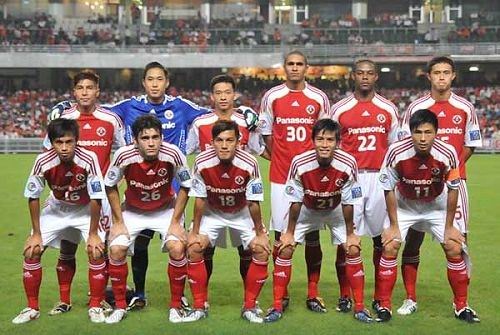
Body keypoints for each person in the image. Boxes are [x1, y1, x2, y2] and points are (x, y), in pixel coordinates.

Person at [106, 62, 258, 309]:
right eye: (150, 79)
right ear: (144, 83)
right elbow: (95, 107)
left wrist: (244, 111)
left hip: (176, 189)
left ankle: (183, 296)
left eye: (159, 79)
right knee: (141, 242)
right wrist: (66, 107)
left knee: (182, 245)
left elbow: (215, 112)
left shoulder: (181, 106)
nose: (155, 84)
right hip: (140, 187)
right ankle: (140, 293)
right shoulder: (128, 105)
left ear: (167, 82)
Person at [376, 109, 479, 323]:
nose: (423, 138)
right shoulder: (396, 151)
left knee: (453, 246)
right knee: (390, 245)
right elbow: (387, 188)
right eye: (418, 132)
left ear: (436, 132)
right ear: (410, 132)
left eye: (428, 132)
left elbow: (453, 189)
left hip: (436, 206)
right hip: (405, 205)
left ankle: (461, 305)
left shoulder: (448, 152)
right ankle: (386, 305)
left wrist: (450, 226)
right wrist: (394, 225)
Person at [398, 56, 482, 316]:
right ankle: (410, 298)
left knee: (458, 241)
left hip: (452, 186)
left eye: (446, 72)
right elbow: (403, 146)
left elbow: (469, 145)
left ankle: (461, 304)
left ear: (453, 76)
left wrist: (448, 171)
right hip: (416, 185)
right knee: (412, 240)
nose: (442, 77)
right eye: (437, 72)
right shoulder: (416, 107)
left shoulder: (466, 108)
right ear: (429, 76)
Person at [264, 119, 371, 323]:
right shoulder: (300, 162)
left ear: (337, 142)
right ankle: (277, 305)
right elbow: (295, 201)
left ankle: (359, 307)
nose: (324, 144)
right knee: (285, 248)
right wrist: (289, 232)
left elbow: (349, 202)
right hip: (307, 209)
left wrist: (350, 235)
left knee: (353, 249)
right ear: (312, 141)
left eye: (330, 139)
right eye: (320, 139)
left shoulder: (348, 163)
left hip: (335, 210)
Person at [43, 70, 125, 316]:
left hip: (100, 198)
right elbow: (48, 156)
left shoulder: (111, 120)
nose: (85, 92)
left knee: (106, 248)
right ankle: (64, 300)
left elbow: (123, 153)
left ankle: (101, 296)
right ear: (74, 92)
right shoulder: (63, 120)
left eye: (90, 88)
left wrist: (113, 182)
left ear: (97, 91)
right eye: (81, 88)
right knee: (68, 248)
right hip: (68, 198)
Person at [12, 118, 108, 324]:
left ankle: (96, 306)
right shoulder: (42, 161)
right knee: (32, 251)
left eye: (69, 142)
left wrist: (92, 234)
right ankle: (32, 308)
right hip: (57, 208)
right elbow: (33, 196)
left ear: (77, 141)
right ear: (52, 142)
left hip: (84, 209)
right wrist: (36, 234)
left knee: (97, 251)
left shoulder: (89, 158)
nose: (64, 148)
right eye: (59, 142)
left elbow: (96, 197)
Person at [259, 50, 331, 312]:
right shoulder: (272, 97)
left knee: (312, 236)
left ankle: (313, 293)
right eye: (290, 64)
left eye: (299, 64)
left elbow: (325, 137)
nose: (295, 68)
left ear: (307, 68)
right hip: (281, 177)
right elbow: (266, 134)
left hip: (311, 177)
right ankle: (282, 294)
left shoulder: (318, 98)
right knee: (282, 236)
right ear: (284, 68)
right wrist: (279, 157)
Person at [103, 115, 192, 324]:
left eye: (155, 137)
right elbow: (110, 185)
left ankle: (176, 306)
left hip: (164, 209)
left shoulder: (173, 154)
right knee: (116, 250)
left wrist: (175, 222)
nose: (151, 143)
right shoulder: (123, 155)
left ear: (161, 138)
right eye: (145, 138)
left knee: (177, 247)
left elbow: (187, 186)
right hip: (133, 210)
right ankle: (120, 306)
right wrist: (117, 221)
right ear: (135, 140)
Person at [186, 74, 268, 291]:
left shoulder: (246, 122)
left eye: (227, 92)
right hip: (211, 199)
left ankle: (250, 299)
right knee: (205, 248)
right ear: (212, 96)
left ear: (235, 95)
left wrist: (259, 128)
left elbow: (259, 151)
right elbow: (187, 150)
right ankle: (201, 299)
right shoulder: (200, 123)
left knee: (247, 249)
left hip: (240, 198)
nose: (223, 97)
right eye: (218, 93)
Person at [184, 120, 270, 323]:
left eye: (230, 140)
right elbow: (200, 199)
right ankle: (199, 306)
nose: (224, 145)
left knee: (260, 249)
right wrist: (195, 232)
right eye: (220, 140)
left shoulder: (250, 163)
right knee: (195, 247)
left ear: (238, 141)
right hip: (212, 212)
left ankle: (250, 306)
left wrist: (260, 233)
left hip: (241, 213)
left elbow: (254, 202)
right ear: (212, 142)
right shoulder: (202, 161)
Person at [330, 59, 399, 313]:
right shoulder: (339, 110)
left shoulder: (388, 109)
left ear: (376, 77)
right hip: (351, 179)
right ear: (353, 77)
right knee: (346, 240)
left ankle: (380, 296)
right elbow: (331, 145)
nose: (365, 77)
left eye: (370, 73)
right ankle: (344, 294)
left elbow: (394, 148)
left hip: (379, 179)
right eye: (360, 73)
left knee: (381, 240)